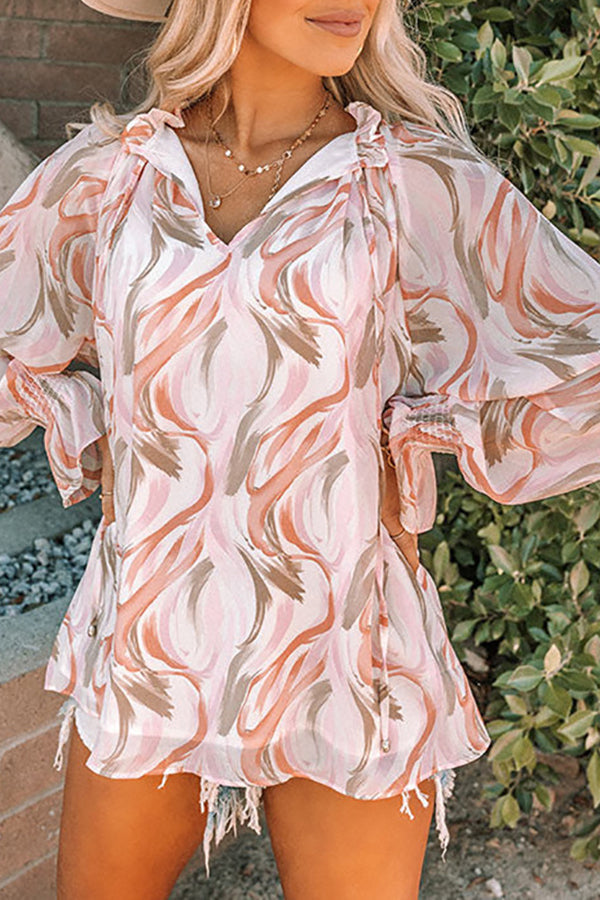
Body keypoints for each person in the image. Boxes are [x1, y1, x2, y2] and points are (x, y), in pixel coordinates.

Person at [1, 0, 599, 896]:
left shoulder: (407, 179)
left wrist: (421, 430)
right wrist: (89, 413)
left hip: (343, 641)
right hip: (152, 633)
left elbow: (581, 355)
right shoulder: (113, 172)